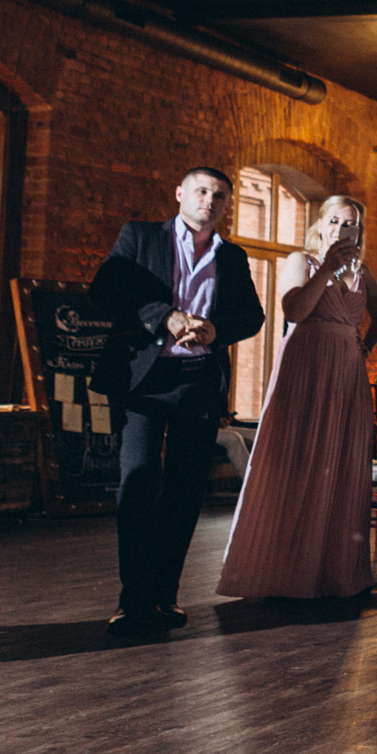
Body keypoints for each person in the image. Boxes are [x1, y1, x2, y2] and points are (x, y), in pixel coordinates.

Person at [90, 167, 265, 633]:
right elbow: (106, 290)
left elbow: (252, 316)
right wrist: (163, 317)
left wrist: (215, 330)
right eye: (202, 191)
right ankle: (133, 600)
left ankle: (164, 596)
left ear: (227, 205)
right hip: (144, 380)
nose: (210, 200)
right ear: (180, 194)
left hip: (199, 381)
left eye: (220, 196)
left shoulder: (233, 256)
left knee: (186, 490)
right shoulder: (141, 236)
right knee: (140, 482)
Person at [215, 196, 377, 601]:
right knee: (299, 458)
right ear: (320, 225)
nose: (343, 231)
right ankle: (284, 568)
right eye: (335, 222)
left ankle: (330, 571)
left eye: (351, 225)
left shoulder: (364, 274)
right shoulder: (302, 261)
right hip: (306, 365)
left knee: (339, 462)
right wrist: (327, 268)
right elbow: (293, 310)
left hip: (347, 371)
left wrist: (365, 343)